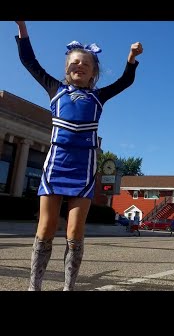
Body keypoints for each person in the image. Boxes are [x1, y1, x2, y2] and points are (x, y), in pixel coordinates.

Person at [15, 21, 143, 291]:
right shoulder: (55, 89)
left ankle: (68, 287)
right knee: (46, 228)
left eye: (85, 64)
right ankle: (34, 286)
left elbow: (126, 81)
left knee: (75, 232)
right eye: (74, 63)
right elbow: (29, 60)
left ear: (93, 72)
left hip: (83, 170)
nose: (79, 66)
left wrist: (131, 59)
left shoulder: (98, 97)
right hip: (55, 166)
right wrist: (22, 27)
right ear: (66, 68)